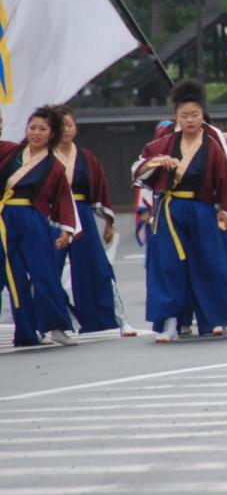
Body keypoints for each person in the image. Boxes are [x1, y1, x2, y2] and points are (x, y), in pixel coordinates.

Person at [134, 80, 227, 342]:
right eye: (184, 115)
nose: (190, 120)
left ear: (202, 115)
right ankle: (171, 323)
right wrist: (157, 162)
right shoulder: (163, 144)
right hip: (171, 210)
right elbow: (138, 169)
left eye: (194, 114)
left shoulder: (212, 146)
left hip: (203, 210)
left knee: (214, 264)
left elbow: (226, 182)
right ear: (176, 117)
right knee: (169, 266)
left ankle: (226, 320)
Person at [52, 106, 135, 336]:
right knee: (47, 269)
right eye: (60, 125)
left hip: (82, 214)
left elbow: (100, 189)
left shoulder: (86, 157)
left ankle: (116, 319)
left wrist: (108, 221)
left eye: (69, 125)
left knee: (97, 267)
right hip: (54, 216)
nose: (65, 130)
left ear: (76, 128)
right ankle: (58, 322)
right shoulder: (44, 156)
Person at [0, 106, 79, 347]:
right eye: (32, 127)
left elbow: (63, 199)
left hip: (33, 220)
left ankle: (56, 326)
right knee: (13, 276)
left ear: (52, 133)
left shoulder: (54, 166)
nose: (36, 133)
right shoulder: (10, 151)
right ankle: (25, 333)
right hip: (4, 218)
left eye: (42, 129)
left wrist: (66, 229)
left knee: (43, 272)